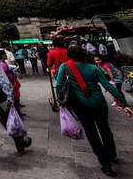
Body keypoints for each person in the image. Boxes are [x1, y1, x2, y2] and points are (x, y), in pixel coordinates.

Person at [55, 45, 132, 177]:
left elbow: (59, 86)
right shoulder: (93, 68)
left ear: (69, 56)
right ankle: (112, 153)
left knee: (91, 132)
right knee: (104, 128)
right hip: (99, 104)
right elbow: (108, 85)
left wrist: (60, 100)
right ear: (84, 55)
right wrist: (124, 104)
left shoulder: (65, 67)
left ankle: (105, 163)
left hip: (80, 106)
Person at [0, 50, 24, 117]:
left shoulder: (4, 63)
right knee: (11, 99)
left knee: (14, 98)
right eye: (5, 54)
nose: (6, 55)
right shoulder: (2, 64)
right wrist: (11, 84)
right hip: (8, 84)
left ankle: (15, 113)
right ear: (2, 55)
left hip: (11, 82)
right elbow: (5, 76)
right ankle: (10, 114)